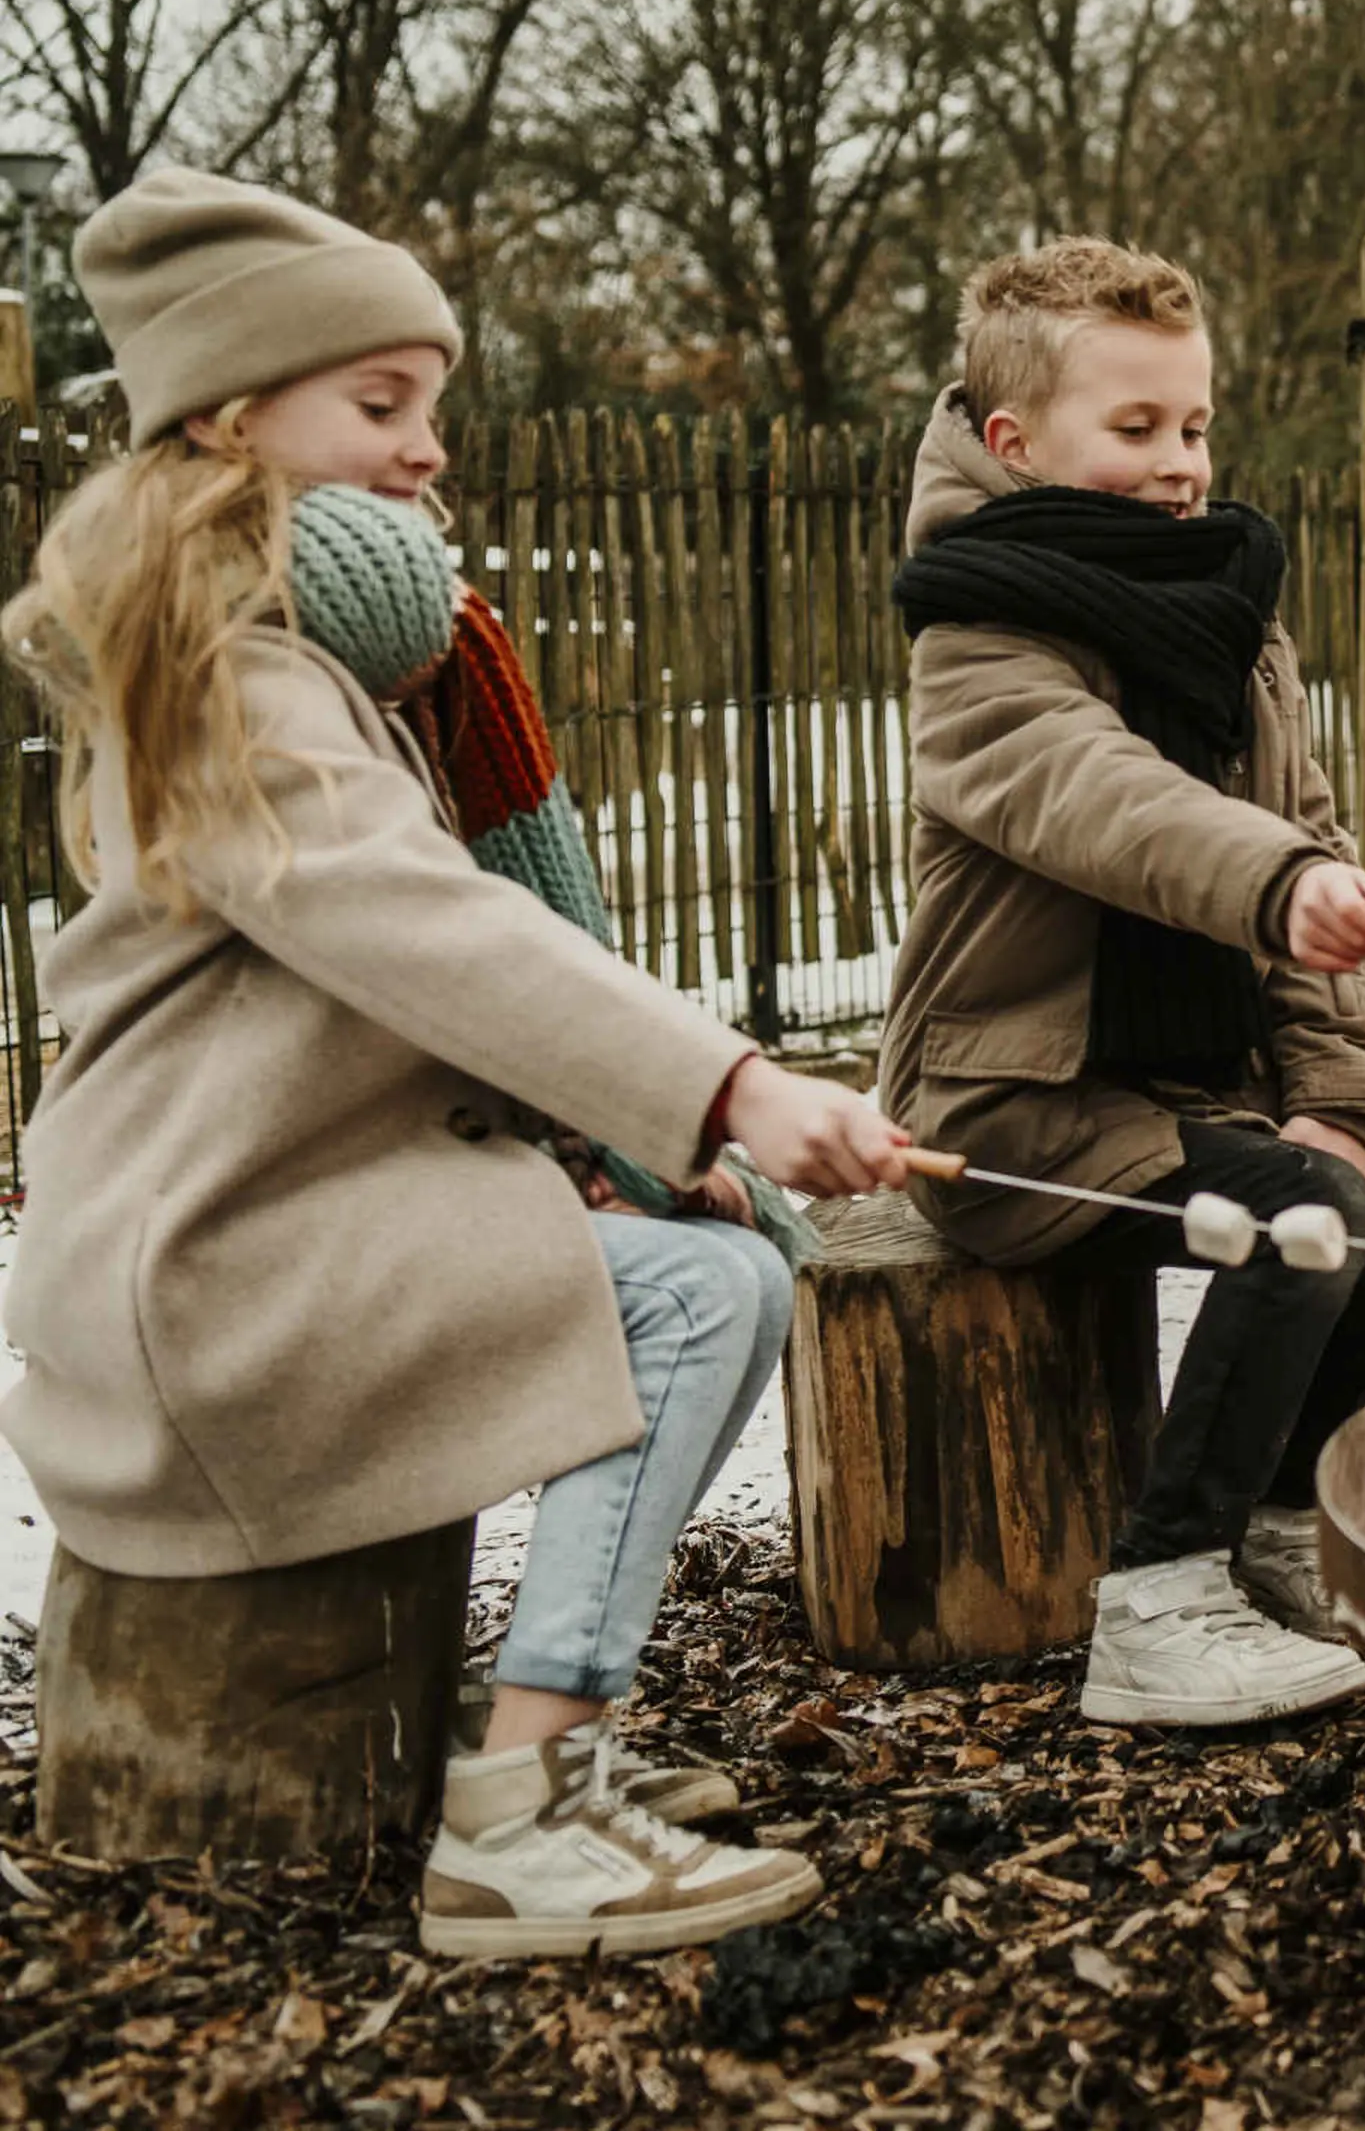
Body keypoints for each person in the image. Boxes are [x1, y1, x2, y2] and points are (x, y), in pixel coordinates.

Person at [0, 169, 914, 1957]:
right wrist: (725, 1089)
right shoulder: (227, 680)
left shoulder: (271, 654)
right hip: (210, 1269)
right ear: (233, 416)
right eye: (381, 404)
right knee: (697, 1297)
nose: (429, 451)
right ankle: (523, 1809)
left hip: (275, 1223)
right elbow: (431, 932)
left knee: (713, 1264)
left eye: (435, 406)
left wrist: (636, 1147)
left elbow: (399, 1001)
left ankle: (553, 1755)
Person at [884, 238, 1365, 1730]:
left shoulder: (1227, 608)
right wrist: (1272, 885)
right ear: (1016, 446)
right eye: (1135, 431)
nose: (1183, 465)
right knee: (1301, 1227)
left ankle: (1271, 1538)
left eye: (1192, 427)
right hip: (1016, 1106)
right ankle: (1158, 1601)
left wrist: (1337, 1107)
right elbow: (1098, 797)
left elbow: (1311, 831)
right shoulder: (974, 628)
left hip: (1194, 1090)